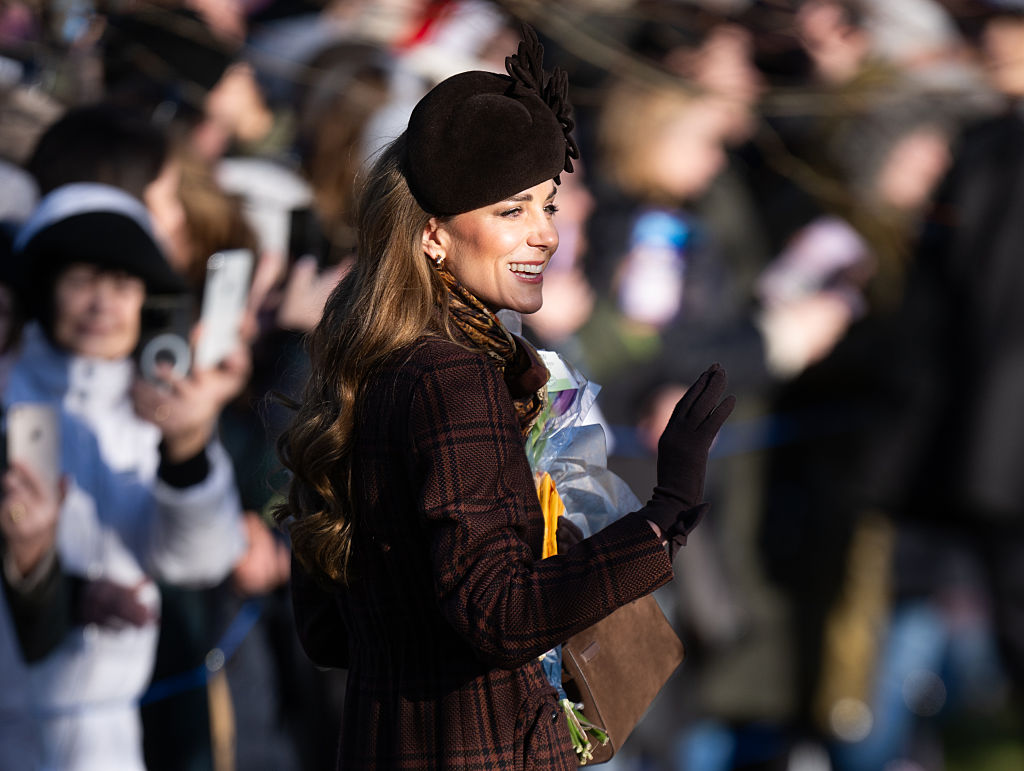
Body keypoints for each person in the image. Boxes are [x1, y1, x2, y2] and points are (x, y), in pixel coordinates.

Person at [276, 26, 734, 768]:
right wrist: (663, 515)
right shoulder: (453, 375)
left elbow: (330, 628)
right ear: (434, 235)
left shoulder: (372, 364)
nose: (545, 235)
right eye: (511, 210)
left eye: (549, 206)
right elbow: (501, 612)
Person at [0, 183, 246, 770]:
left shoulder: (159, 408)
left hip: (111, 730)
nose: (102, 305)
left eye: (123, 285)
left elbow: (200, 562)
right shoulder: (8, 390)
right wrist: (64, 586)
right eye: (83, 281)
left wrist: (186, 448)